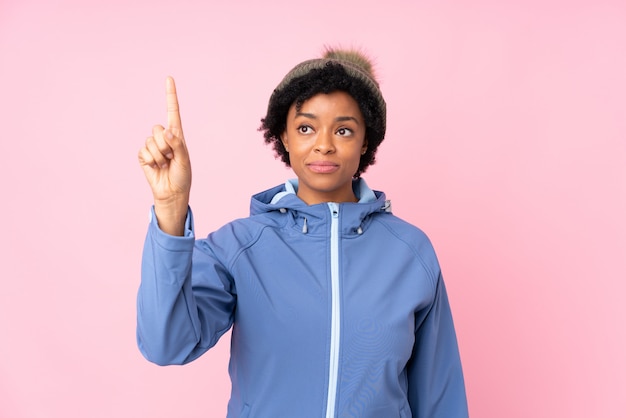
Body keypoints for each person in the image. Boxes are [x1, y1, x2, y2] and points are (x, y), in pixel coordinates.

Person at [137, 48, 469, 418]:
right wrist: (171, 209)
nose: (323, 144)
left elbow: (439, 396)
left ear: (365, 141)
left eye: (343, 130)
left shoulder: (410, 253)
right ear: (284, 137)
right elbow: (166, 344)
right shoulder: (240, 247)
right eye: (306, 128)